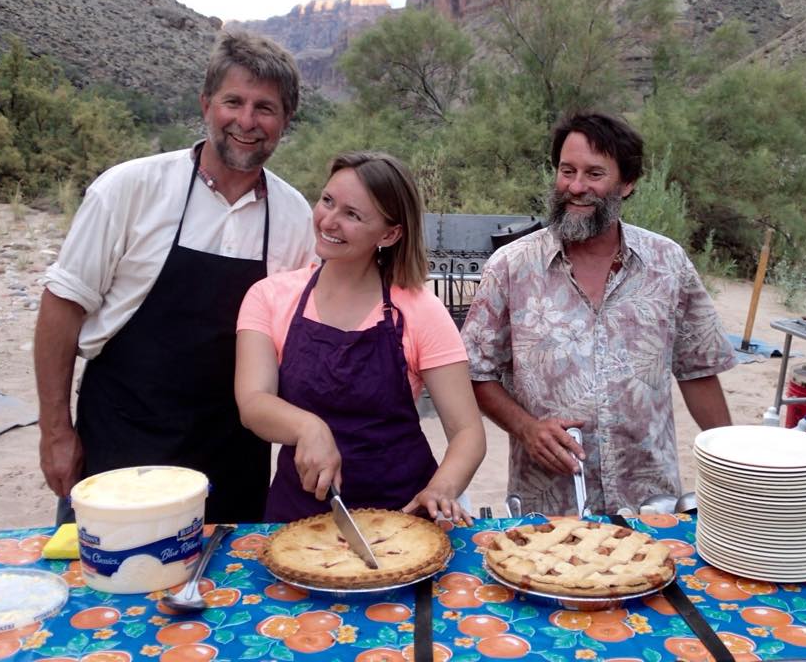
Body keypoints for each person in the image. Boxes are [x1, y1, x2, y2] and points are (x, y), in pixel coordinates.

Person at [34, 31, 316, 523]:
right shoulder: (129, 189)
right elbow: (62, 307)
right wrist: (55, 431)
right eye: (233, 102)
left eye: (265, 108)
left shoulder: (296, 217)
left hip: (234, 459)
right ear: (206, 104)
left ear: (286, 120)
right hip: (119, 446)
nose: (247, 121)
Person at [461, 110, 736, 516]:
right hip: (549, 508)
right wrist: (526, 428)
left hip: (650, 505)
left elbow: (698, 371)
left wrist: (736, 463)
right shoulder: (511, 267)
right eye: (567, 171)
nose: (576, 187)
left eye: (594, 174)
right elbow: (474, 372)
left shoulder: (667, 263)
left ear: (627, 183)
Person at [235, 151, 486, 523]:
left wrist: (441, 489)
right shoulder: (269, 297)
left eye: (352, 215)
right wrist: (308, 427)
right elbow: (253, 402)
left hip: (403, 516)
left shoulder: (421, 310)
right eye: (327, 201)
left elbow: (468, 432)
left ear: (389, 234)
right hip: (298, 516)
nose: (329, 221)